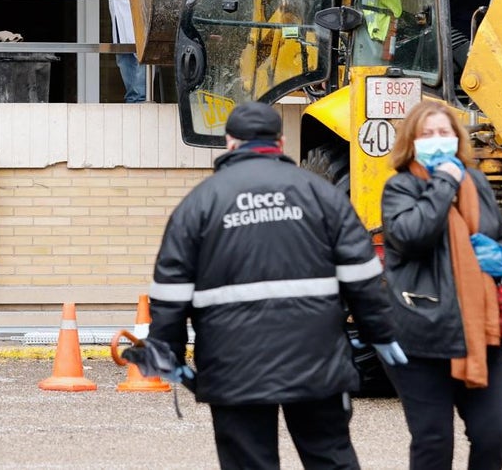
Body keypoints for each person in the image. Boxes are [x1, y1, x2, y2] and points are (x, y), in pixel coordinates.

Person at [145, 101, 405, 469]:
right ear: (280, 141)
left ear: (230, 141)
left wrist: (165, 348)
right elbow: (362, 277)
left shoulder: (199, 204)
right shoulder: (322, 195)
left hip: (232, 365)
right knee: (329, 457)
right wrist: (380, 332)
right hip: (316, 360)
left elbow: (171, 289)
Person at [380, 100, 502, 470]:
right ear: (412, 142)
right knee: (434, 442)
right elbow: (413, 236)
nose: (437, 140)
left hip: (479, 332)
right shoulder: (400, 188)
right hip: (422, 335)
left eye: (444, 133)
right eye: (427, 134)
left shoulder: (474, 182)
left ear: (457, 138)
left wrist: (500, 253)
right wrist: (443, 182)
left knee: (494, 432)